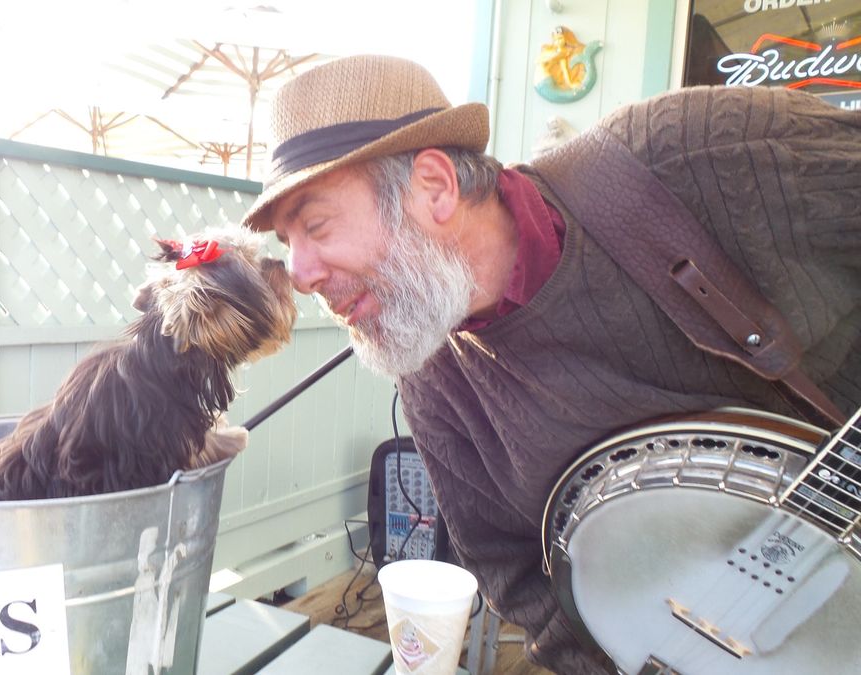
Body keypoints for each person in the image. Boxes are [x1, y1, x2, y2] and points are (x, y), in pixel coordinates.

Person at [242, 54, 861, 673]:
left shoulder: (700, 152)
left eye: (315, 226)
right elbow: (512, 573)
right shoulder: (429, 368)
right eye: (287, 244)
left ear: (434, 187)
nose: (298, 274)